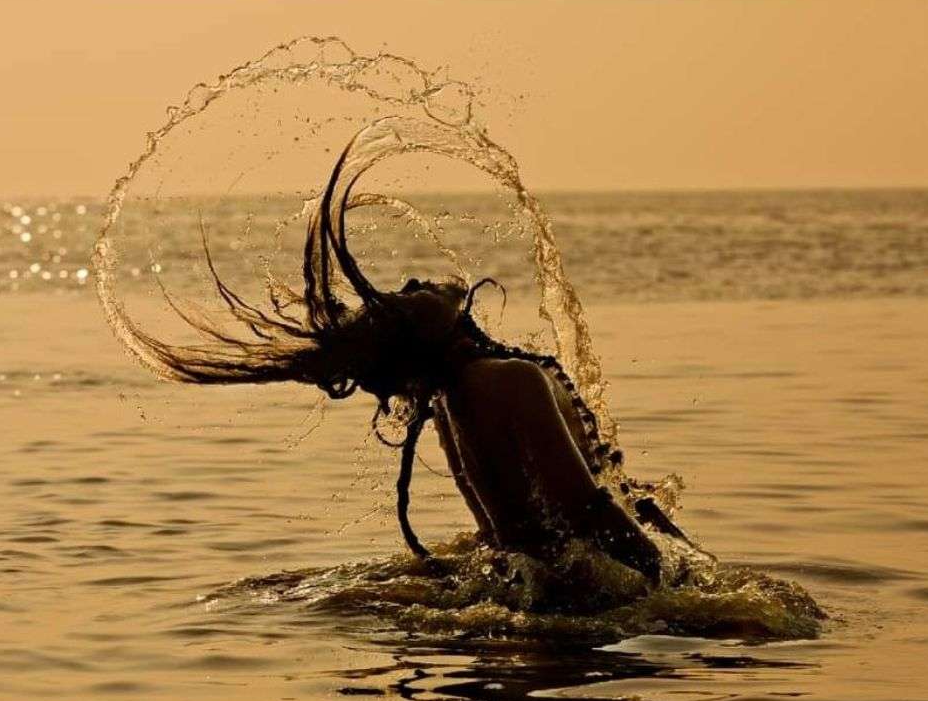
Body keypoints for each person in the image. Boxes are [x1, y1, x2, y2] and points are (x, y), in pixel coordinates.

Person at [124, 145, 671, 584]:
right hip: (586, 606)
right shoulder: (506, 378)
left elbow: (509, 538)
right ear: (422, 337)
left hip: (546, 596)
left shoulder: (454, 399)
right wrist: (672, 585)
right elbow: (587, 510)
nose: (410, 284)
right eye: (399, 300)